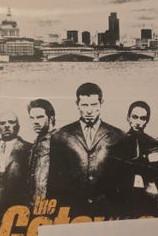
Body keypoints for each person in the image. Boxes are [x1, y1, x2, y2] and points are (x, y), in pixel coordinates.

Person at [48, 83, 123, 213]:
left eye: (94, 105)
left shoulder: (118, 136)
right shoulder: (60, 136)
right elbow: (54, 181)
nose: (89, 110)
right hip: (72, 209)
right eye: (84, 105)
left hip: (106, 209)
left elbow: (122, 181)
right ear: (77, 104)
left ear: (101, 103)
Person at [111, 101, 158, 214]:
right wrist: (146, 160)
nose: (138, 122)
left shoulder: (154, 144)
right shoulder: (118, 143)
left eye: (142, 118)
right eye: (135, 117)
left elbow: (157, 173)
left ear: (147, 121)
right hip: (123, 197)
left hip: (148, 198)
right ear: (128, 118)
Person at [27, 99, 56, 205]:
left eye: (40, 117)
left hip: (49, 205)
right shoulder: (36, 142)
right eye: (32, 118)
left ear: (51, 118)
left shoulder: (59, 141)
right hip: (33, 204)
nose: (35, 122)